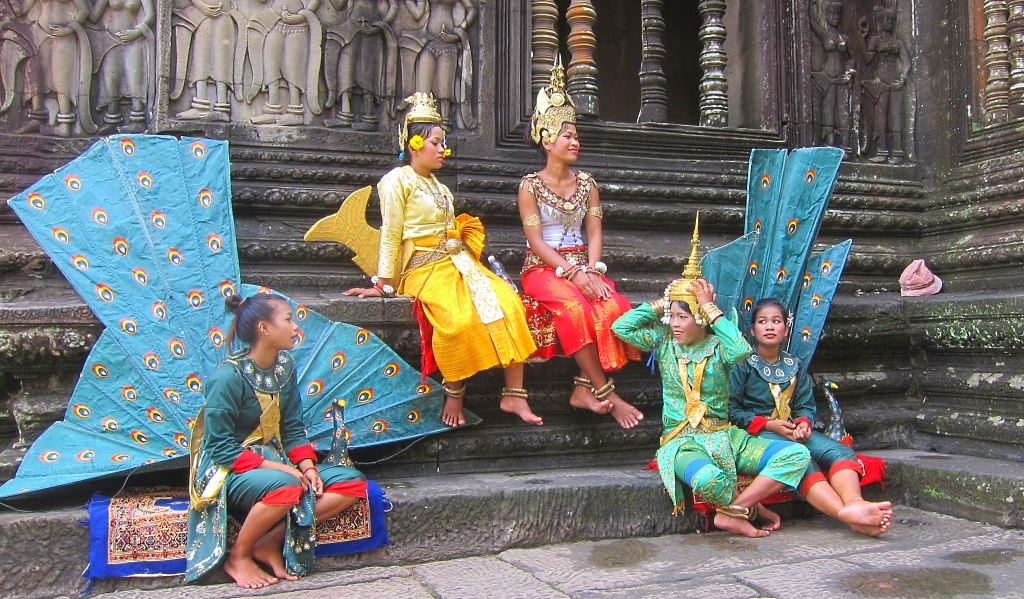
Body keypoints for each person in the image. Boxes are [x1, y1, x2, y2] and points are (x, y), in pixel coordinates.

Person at [344, 92, 540, 427]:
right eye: (436, 142)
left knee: (509, 302)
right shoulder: (396, 180)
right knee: (457, 319)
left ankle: (514, 394)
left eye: (443, 143)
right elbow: (391, 232)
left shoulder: (440, 186)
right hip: (422, 266)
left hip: (457, 262)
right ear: (414, 144)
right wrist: (384, 283)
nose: (442, 150)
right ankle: (454, 392)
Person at [612, 221, 811, 538]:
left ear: (701, 319)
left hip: (727, 438)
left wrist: (708, 306)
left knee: (796, 455)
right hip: (681, 444)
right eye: (672, 317)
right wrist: (666, 301)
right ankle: (748, 510)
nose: (675, 324)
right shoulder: (665, 345)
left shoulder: (719, 348)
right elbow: (622, 328)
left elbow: (741, 348)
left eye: (683, 317)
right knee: (708, 480)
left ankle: (735, 512)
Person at [186, 292, 366, 588]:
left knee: (352, 482)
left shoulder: (285, 367)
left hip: (279, 462)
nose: (296, 327)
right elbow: (218, 447)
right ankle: (239, 557)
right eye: (288, 319)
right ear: (264, 328)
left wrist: (307, 467)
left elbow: (293, 428)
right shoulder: (228, 377)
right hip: (230, 469)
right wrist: (283, 470)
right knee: (289, 486)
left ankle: (268, 542)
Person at [518, 59, 642, 429]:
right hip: (543, 268)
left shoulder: (588, 183)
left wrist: (592, 269)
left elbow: (595, 233)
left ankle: (582, 388)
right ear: (546, 139)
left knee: (613, 306)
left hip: (583, 265)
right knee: (574, 309)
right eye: (566, 135)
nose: (575, 141)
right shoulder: (530, 186)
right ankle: (608, 394)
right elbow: (535, 240)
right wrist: (572, 272)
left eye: (575, 135)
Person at [729, 297, 893, 536]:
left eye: (776, 321)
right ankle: (848, 517)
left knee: (840, 451)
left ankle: (854, 503)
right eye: (763, 322)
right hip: (758, 433)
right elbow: (732, 411)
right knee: (802, 459)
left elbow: (805, 405)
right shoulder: (742, 365)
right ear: (752, 329)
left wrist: (804, 423)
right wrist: (770, 424)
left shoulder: (794, 365)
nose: (770, 326)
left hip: (793, 431)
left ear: (786, 329)